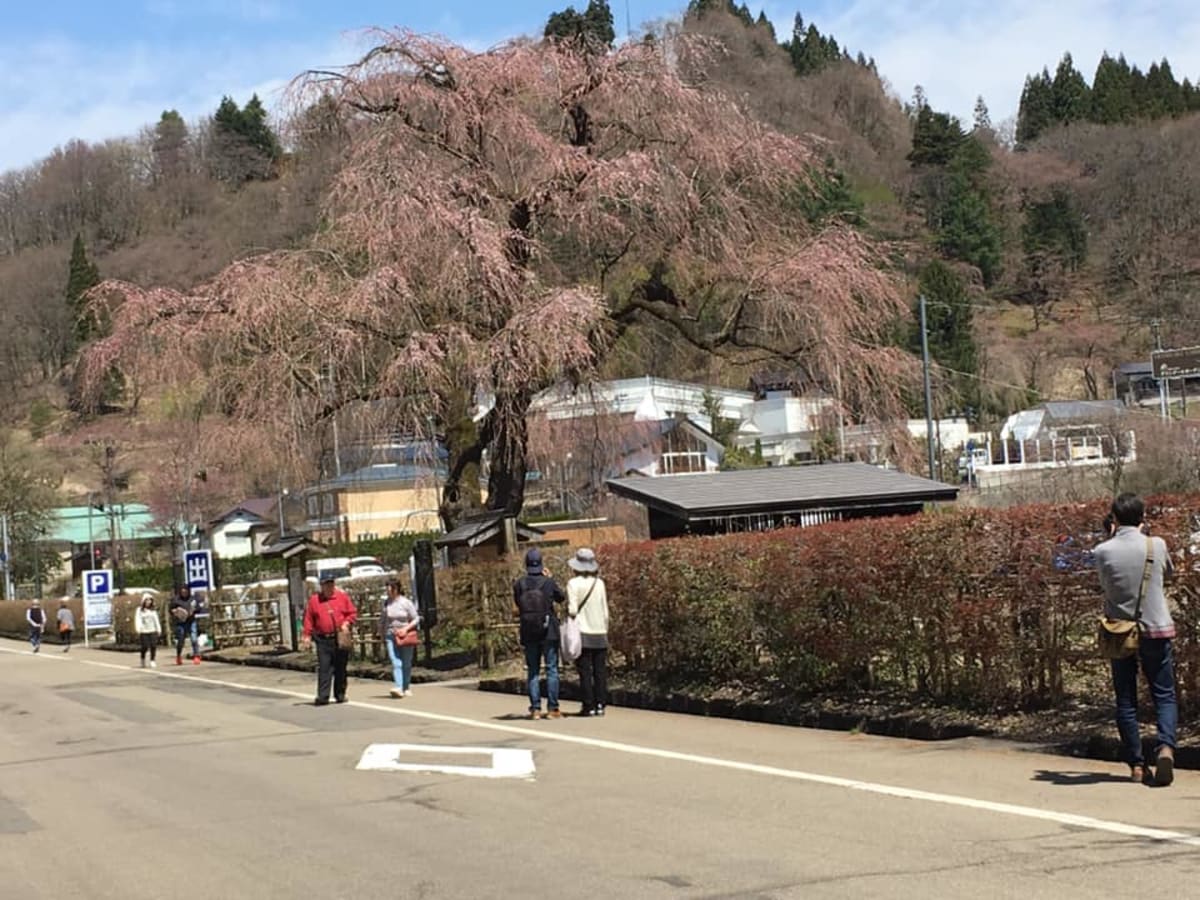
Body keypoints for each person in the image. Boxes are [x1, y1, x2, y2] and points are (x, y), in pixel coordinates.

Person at [1094, 493, 1178, 786]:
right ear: (1143, 516)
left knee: (1126, 699)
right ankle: (1165, 747)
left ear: (1114, 519)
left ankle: (1137, 765)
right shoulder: (1157, 545)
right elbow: (1169, 574)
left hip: (1120, 631)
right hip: (1156, 627)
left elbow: (1104, 587)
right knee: (1164, 694)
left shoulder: (1102, 551)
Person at [513, 547, 565, 720]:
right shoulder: (548, 583)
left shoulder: (520, 584)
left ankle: (535, 709)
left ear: (526, 565)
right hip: (549, 630)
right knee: (551, 669)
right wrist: (550, 579)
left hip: (529, 631)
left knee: (533, 670)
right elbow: (561, 597)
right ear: (541, 564)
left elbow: (518, 605)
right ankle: (553, 708)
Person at [566, 548, 610, 717]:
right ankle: (601, 705)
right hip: (600, 630)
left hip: (583, 632)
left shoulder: (573, 583)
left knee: (585, 671)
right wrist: (605, 629)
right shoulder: (599, 583)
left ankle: (588, 706)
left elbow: (573, 610)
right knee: (600, 671)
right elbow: (605, 610)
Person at [301, 574, 358, 705]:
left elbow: (352, 613)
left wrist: (346, 623)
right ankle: (323, 696)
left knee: (340, 667)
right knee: (325, 667)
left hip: (339, 637)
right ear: (321, 586)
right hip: (322, 639)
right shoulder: (314, 601)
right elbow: (309, 619)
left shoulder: (342, 597)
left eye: (331, 583)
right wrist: (306, 635)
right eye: (326, 584)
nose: (329, 586)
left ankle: (340, 694)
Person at [381, 580, 420, 699]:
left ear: (396, 589)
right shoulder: (385, 603)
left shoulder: (406, 602)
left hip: (405, 635)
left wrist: (406, 629)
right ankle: (398, 686)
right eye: (387, 588)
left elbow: (416, 618)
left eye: (390, 588)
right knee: (395, 661)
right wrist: (381, 633)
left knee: (406, 662)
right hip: (390, 634)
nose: (388, 590)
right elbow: (382, 620)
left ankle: (406, 687)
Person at [169, 585, 201, 665]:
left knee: (194, 639)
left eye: (185, 591)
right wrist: (176, 611)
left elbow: (198, 608)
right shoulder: (176, 600)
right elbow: (171, 609)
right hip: (181, 622)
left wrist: (193, 610)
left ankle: (196, 656)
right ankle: (178, 656)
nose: (184, 593)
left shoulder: (192, 599)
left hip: (191, 621)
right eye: (182, 591)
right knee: (181, 640)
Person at [134, 594, 162, 668]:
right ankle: (142, 659)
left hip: (152, 630)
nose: (148, 602)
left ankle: (152, 660)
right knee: (145, 646)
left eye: (150, 600)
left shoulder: (153, 610)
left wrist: (158, 629)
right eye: (147, 600)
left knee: (153, 645)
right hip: (144, 631)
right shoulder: (139, 610)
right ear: (143, 601)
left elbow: (156, 620)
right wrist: (138, 629)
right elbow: (138, 620)